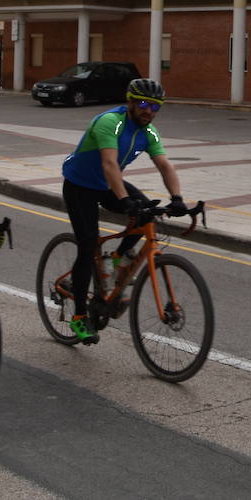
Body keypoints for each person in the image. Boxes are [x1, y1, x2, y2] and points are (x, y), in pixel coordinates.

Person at [60, 77, 184, 344]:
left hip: (106, 183)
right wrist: (125, 199)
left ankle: (116, 259)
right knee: (87, 245)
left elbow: (165, 165)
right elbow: (109, 163)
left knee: (146, 214)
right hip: (80, 185)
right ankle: (80, 317)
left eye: (155, 107)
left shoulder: (149, 133)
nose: (148, 111)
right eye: (143, 104)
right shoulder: (109, 122)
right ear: (129, 101)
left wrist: (177, 198)